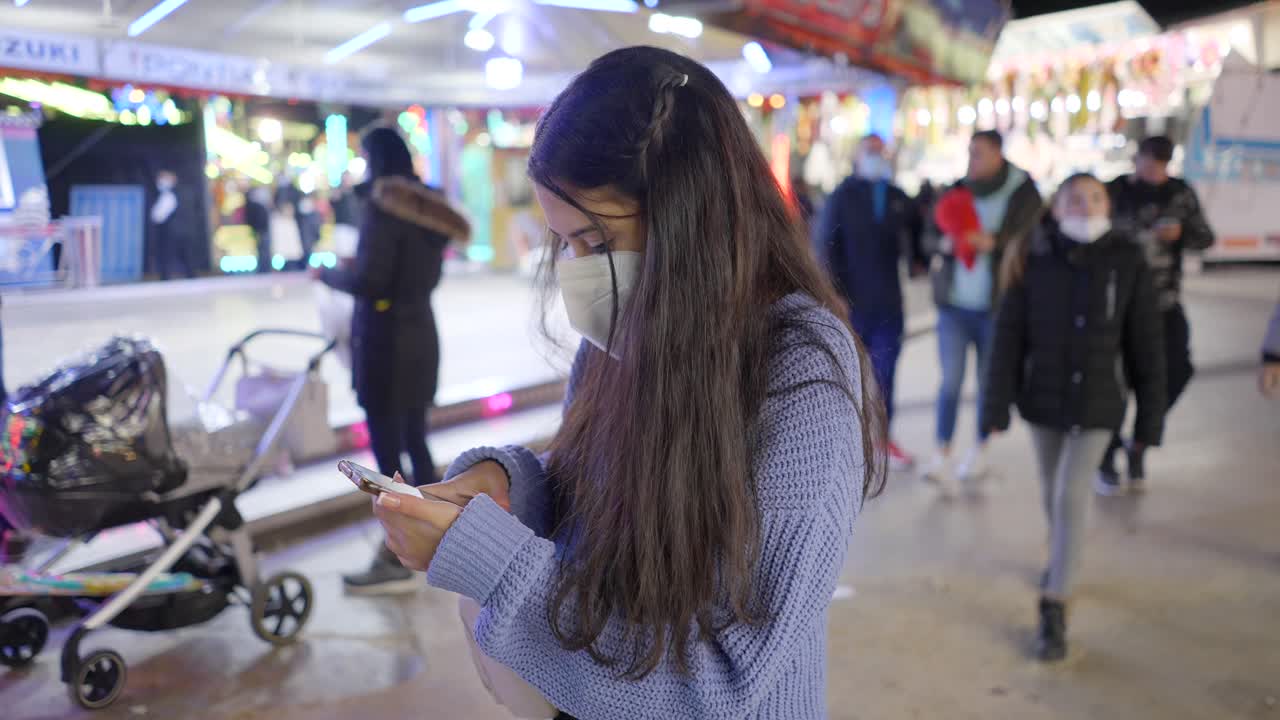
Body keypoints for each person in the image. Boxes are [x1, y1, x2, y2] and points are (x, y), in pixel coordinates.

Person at [367, 46, 886, 718]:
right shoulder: (622, 335)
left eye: (600, 243)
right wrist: (503, 487)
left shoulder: (801, 372)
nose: (579, 273)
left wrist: (491, 561)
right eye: (566, 246)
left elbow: (722, 684)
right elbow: (593, 485)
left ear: (692, 217)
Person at [984, 173, 1166, 662]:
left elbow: (1146, 344)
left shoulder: (1127, 260)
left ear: (1107, 204)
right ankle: (1064, 559)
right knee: (1053, 495)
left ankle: (1055, 603)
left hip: (1100, 405)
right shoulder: (1033, 257)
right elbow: (1008, 338)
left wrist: (1149, 421)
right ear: (1057, 209)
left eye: (1095, 197)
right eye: (1074, 199)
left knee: (1069, 494)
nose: (1085, 206)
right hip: (1042, 403)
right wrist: (994, 403)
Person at [317, 126, 470, 594]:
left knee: (385, 456)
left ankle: (397, 555)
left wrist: (330, 274)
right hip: (420, 333)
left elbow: (372, 281)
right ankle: (447, 539)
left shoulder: (384, 207)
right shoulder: (429, 209)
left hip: (384, 341)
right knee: (416, 442)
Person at [923, 130, 1042, 490]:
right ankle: (942, 451)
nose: (972, 160)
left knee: (989, 382)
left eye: (979, 153)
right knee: (951, 381)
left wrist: (996, 242)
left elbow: (1031, 239)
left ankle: (979, 449)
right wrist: (946, 242)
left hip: (997, 307)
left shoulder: (1022, 192)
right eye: (970, 153)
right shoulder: (957, 189)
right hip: (954, 307)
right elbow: (928, 236)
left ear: (998, 155)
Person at [1097, 135, 1216, 494]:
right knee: (1110, 381)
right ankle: (1106, 454)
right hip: (1115, 304)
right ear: (1137, 160)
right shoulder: (1113, 191)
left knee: (1174, 371)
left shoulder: (1180, 193)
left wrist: (1181, 234)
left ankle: (1140, 445)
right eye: (1149, 164)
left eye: (1161, 166)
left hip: (1163, 302)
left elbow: (1205, 238)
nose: (1154, 172)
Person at [814, 133, 926, 470]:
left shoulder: (896, 197)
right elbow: (824, 247)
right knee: (849, 376)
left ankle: (883, 440)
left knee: (886, 374)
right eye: (870, 152)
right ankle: (848, 444)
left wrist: (918, 258)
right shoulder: (842, 197)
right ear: (858, 156)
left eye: (881, 151)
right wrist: (833, 294)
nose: (877, 157)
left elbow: (917, 232)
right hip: (851, 304)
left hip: (888, 303)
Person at [150, 169, 194, 281]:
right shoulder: (183, 192)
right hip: (183, 231)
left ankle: (167, 278)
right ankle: (191, 277)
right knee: (185, 257)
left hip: (171, 232)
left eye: (163, 178)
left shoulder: (169, 195)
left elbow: (157, 216)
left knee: (168, 257)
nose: (159, 182)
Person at [244, 185, 273, 274]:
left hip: (261, 230)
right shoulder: (256, 206)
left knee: (263, 250)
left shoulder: (256, 206)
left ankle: (265, 268)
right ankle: (264, 268)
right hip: (261, 230)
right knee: (262, 250)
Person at [1261, 298, 1280, 398]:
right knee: (1273, 369)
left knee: (1272, 368)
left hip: (1269, 347)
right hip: (1273, 349)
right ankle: (1269, 388)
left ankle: (1269, 388)